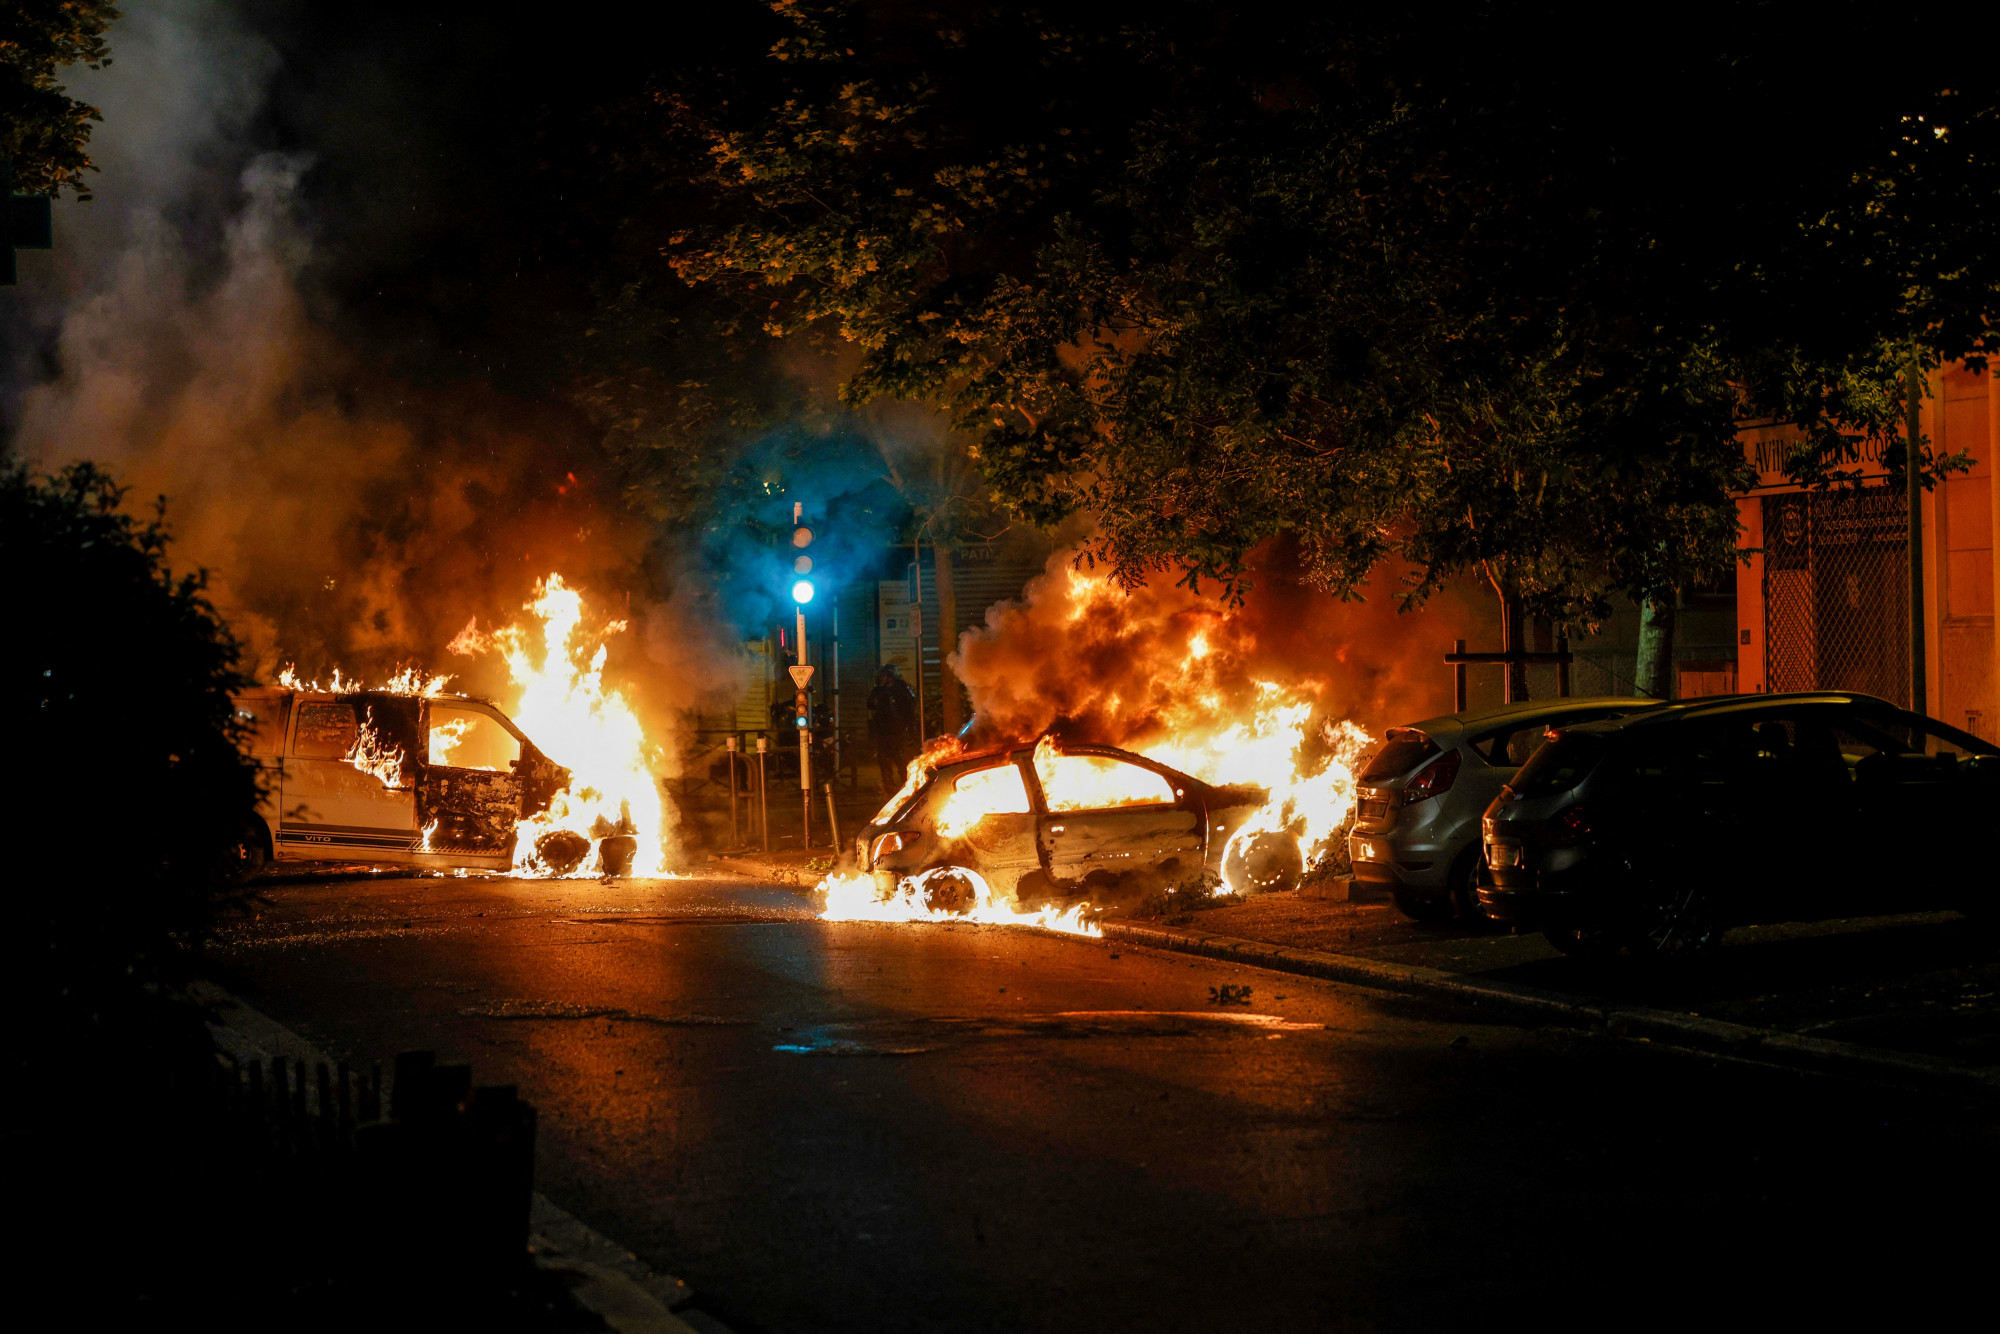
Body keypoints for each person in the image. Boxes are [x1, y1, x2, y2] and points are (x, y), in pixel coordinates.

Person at [867, 663, 919, 794]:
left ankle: (905, 780)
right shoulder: (879, 690)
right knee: (883, 757)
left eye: (884, 676)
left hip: (897, 728)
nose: (882, 679)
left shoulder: (902, 689)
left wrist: (909, 726)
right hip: (882, 728)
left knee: (897, 754)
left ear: (890, 676)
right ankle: (888, 783)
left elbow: (910, 707)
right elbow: (870, 704)